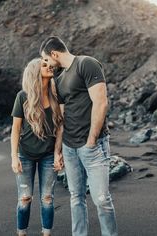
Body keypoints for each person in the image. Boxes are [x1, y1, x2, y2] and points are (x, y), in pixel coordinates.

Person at [40, 36, 118, 236]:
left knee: (101, 198)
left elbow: (101, 102)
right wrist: (58, 150)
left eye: (46, 59)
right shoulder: (60, 78)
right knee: (76, 197)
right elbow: (63, 116)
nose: (47, 63)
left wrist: (92, 140)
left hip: (92, 145)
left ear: (54, 54)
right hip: (69, 146)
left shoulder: (86, 64)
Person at [10, 58, 63, 236]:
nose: (50, 67)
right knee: (25, 199)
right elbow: (16, 129)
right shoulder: (23, 96)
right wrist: (14, 157)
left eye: (50, 65)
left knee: (47, 198)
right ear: (35, 71)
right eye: (44, 65)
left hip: (48, 155)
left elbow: (60, 128)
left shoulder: (56, 96)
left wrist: (57, 154)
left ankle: (46, 233)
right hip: (25, 154)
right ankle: (22, 233)